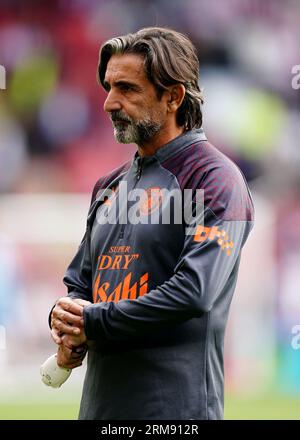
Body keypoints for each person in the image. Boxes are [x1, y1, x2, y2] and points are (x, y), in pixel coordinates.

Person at [49, 27, 254, 420]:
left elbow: (194, 291)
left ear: (173, 96)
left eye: (128, 89)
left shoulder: (214, 179)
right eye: (109, 87)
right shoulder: (107, 187)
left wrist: (95, 320)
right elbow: (80, 284)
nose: (110, 103)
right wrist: (65, 317)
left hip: (177, 413)